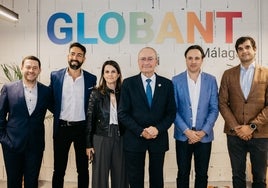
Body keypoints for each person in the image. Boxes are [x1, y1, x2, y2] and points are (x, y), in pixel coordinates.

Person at [118, 47, 176, 188]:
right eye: (143, 59)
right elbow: (122, 113)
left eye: (150, 59)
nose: (146, 62)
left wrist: (157, 129)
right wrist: (141, 131)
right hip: (134, 138)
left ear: (156, 61)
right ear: (138, 62)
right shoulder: (128, 83)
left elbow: (171, 113)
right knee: (135, 179)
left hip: (158, 138)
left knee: (157, 179)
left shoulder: (167, 84)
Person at [219, 36, 268, 188]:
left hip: (260, 134)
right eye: (240, 49)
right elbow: (222, 103)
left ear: (254, 49)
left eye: (247, 47)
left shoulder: (266, 73)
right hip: (235, 134)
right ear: (237, 53)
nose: (244, 51)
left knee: (259, 177)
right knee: (237, 176)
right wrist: (236, 127)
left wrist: (252, 126)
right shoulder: (228, 74)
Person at [50, 42, 97, 188]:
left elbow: (93, 105)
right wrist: (59, 113)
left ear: (84, 59)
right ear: (68, 56)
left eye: (79, 55)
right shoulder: (56, 76)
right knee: (59, 169)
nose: (75, 57)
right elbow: (51, 100)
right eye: (73, 54)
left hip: (82, 130)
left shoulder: (91, 78)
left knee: (83, 169)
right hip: (62, 128)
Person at [0, 55, 52, 188]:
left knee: (32, 182)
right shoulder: (9, 88)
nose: (31, 70)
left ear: (40, 70)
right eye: (28, 67)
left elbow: (59, 110)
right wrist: (4, 139)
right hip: (12, 145)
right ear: (22, 68)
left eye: (35, 68)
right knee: (13, 182)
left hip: (35, 146)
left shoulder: (46, 91)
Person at [172, 45, 219, 188]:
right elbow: (173, 110)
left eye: (197, 58)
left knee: (202, 174)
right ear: (185, 60)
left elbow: (214, 108)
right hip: (183, 135)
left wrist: (203, 131)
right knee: (183, 173)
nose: (193, 61)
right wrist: (186, 131)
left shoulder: (211, 80)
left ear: (202, 60)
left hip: (204, 136)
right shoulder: (176, 80)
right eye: (190, 58)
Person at [85, 60, 127, 188]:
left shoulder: (124, 92)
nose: (110, 74)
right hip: (101, 137)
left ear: (118, 74)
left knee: (121, 174)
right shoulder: (96, 93)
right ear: (103, 75)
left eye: (113, 71)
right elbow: (90, 119)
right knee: (100, 175)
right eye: (107, 72)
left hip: (121, 136)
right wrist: (88, 144)